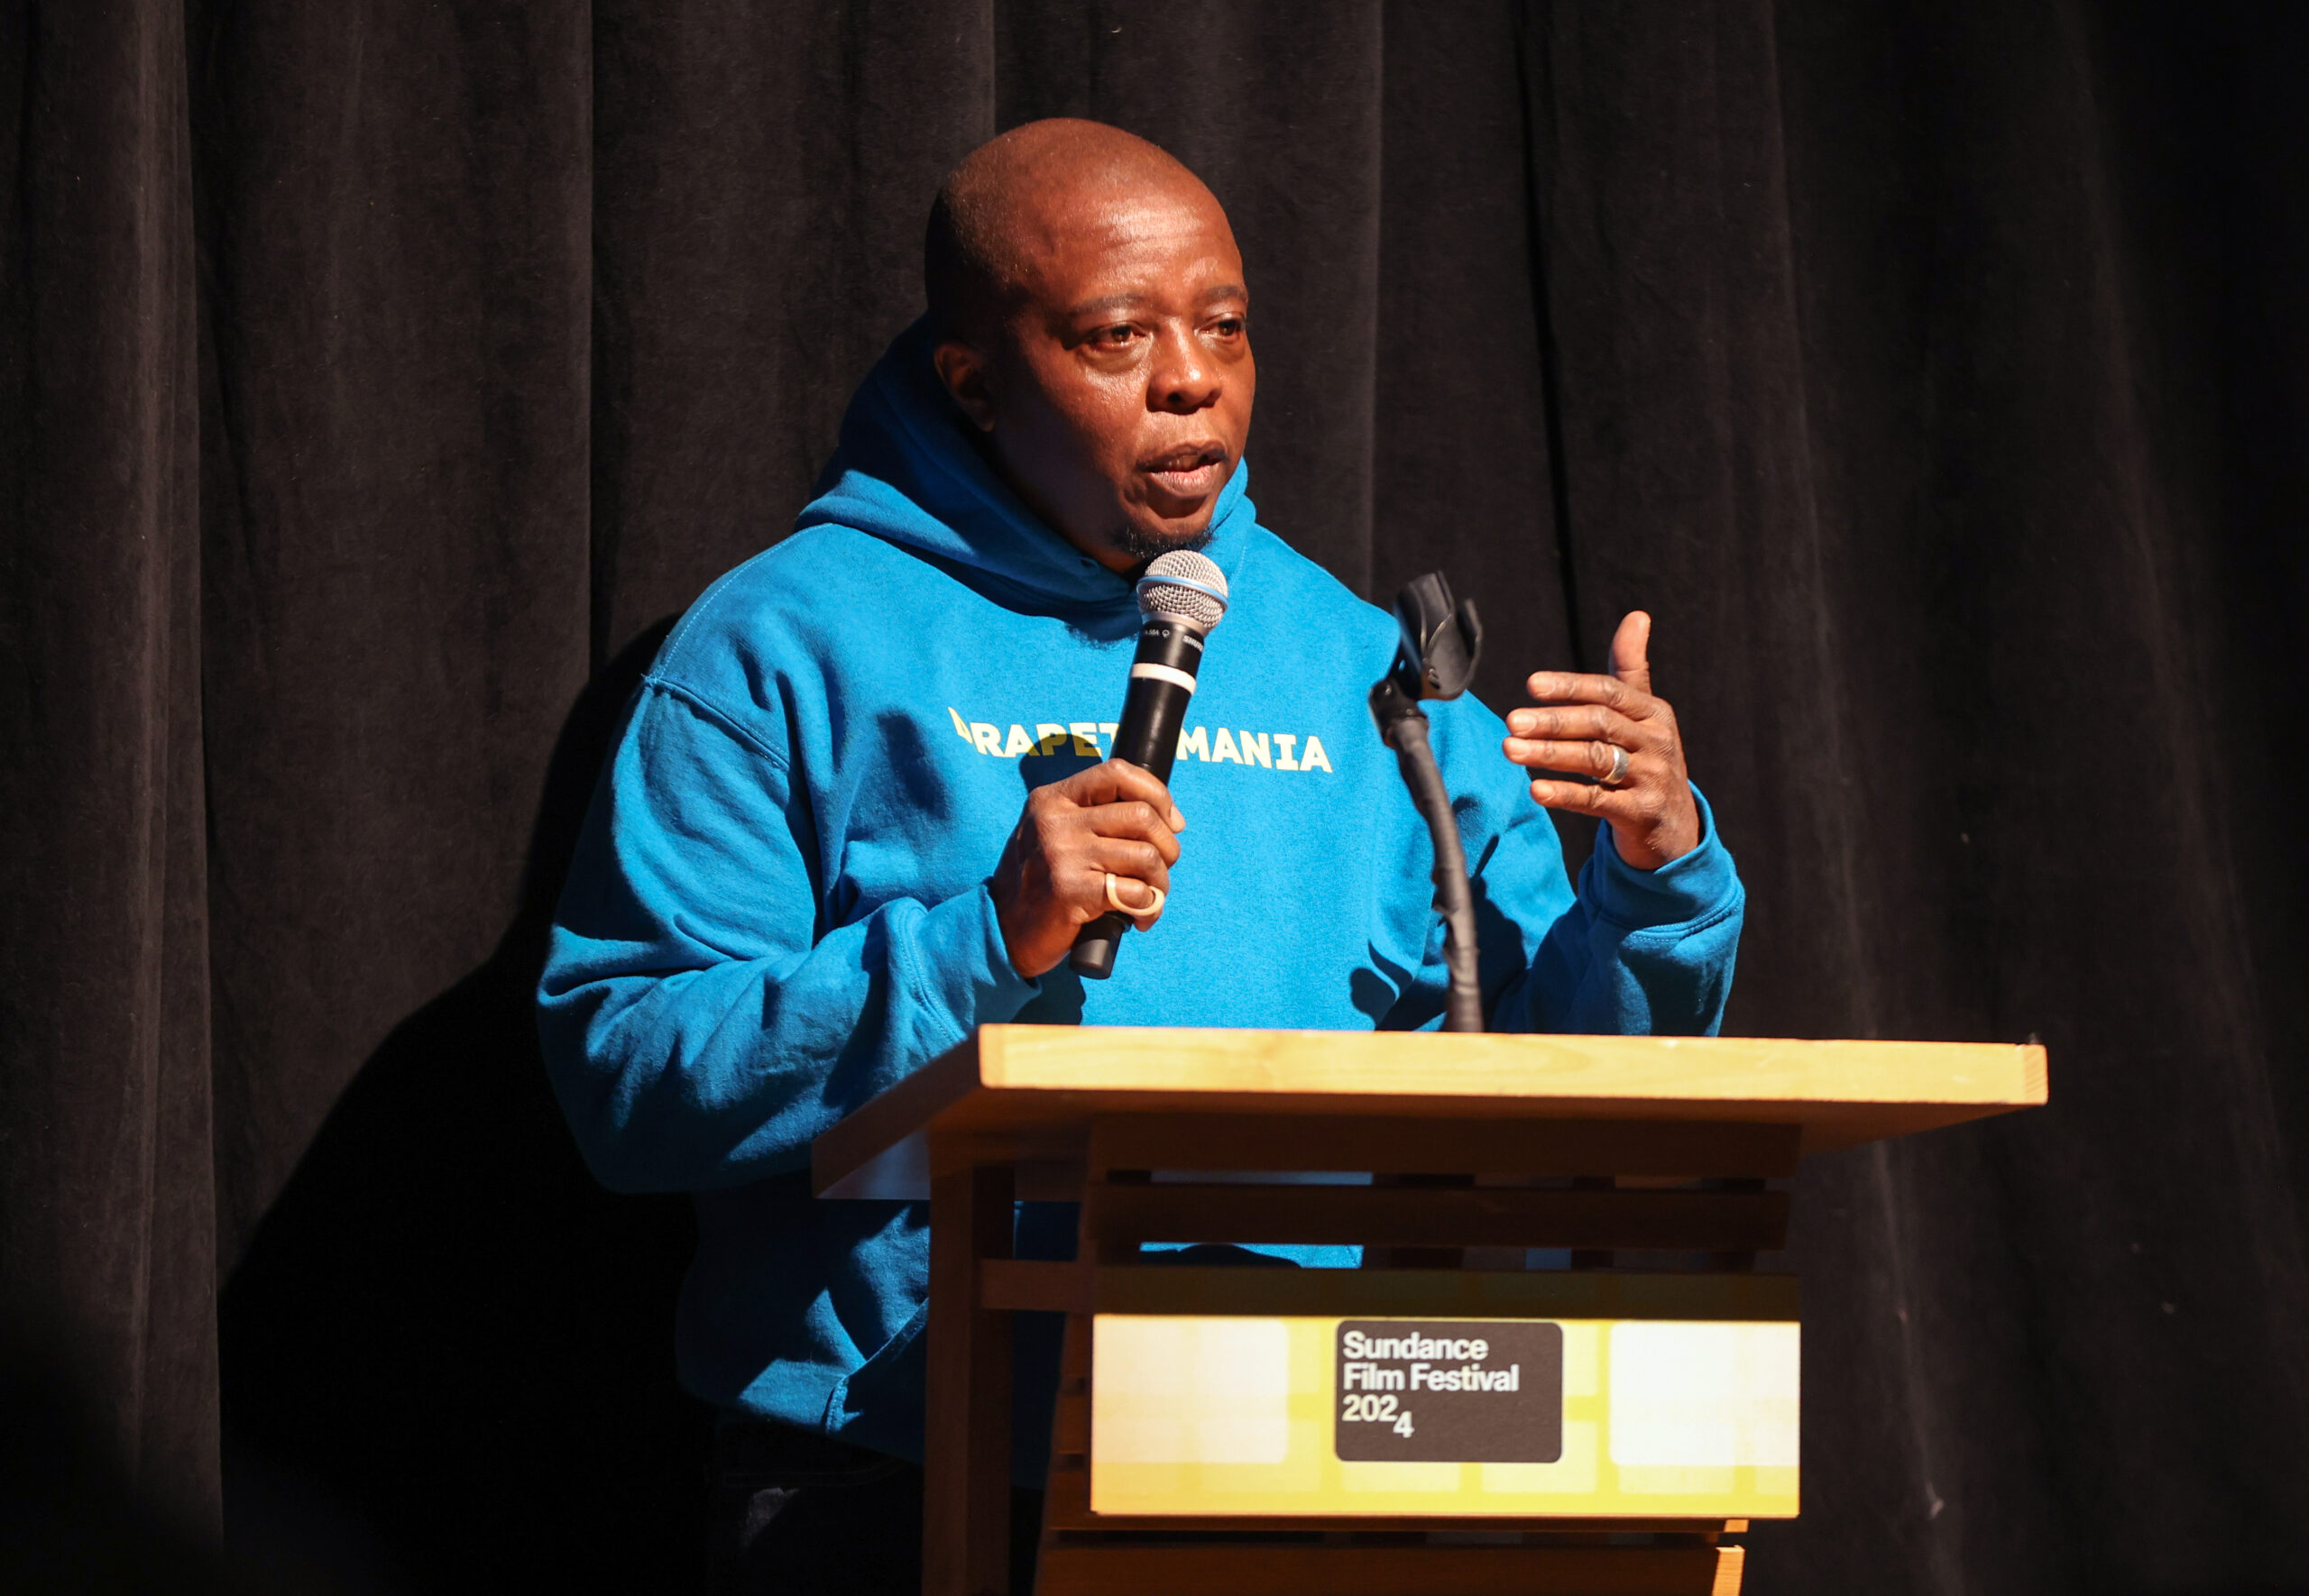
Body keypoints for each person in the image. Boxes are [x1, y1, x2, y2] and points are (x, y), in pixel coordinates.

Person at [538, 119, 1743, 1594]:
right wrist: (983, 941)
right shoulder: (786, 642)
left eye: (1225, 326)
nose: (1192, 376)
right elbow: (625, 1068)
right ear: (972, 380)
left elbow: (1564, 1070)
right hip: (905, 1479)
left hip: (1321, 1446)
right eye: (1118, 334)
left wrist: (1657, 870)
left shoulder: (1360, 665)